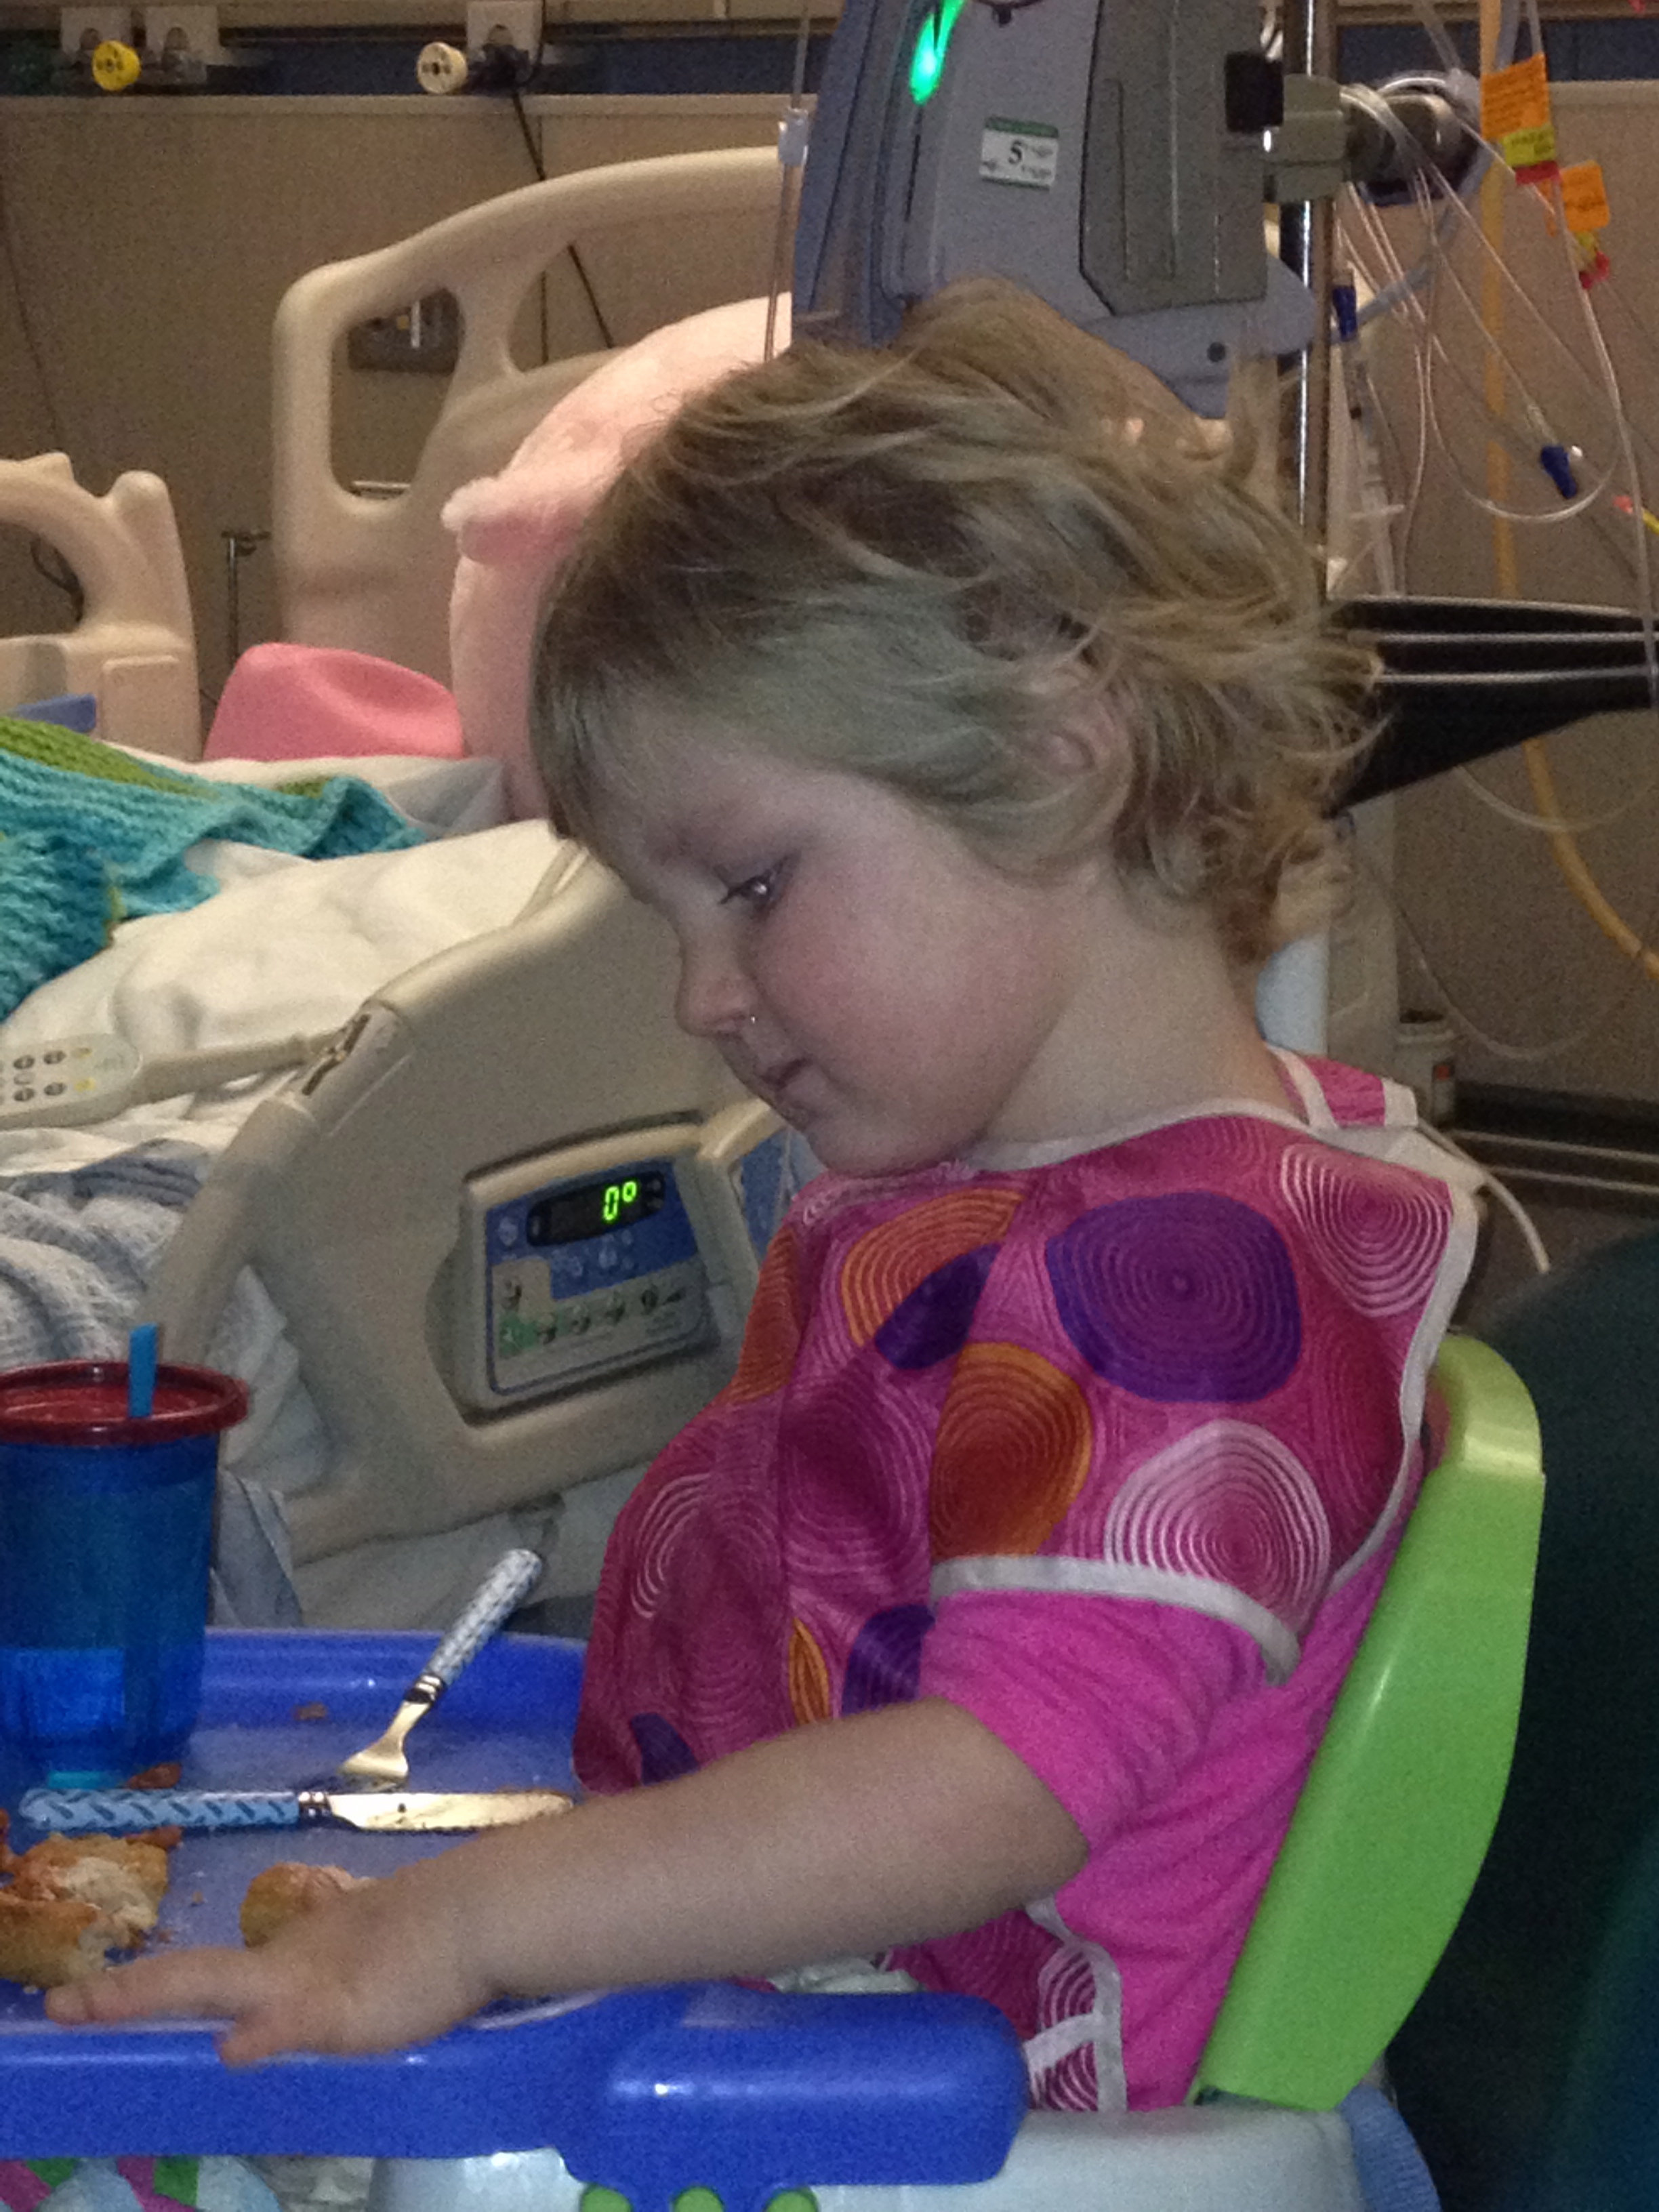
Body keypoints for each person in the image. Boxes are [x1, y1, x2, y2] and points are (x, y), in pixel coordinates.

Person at [49, 281, 1479, 2112]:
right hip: (816, 2035)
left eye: (754, 884)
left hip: (942, 2140)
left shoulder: (1191, 1293)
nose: (702, 998)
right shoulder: (1033, 1192)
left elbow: (985, 1792)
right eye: (674, 917)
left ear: (1059, 756)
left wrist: (470, 1925)